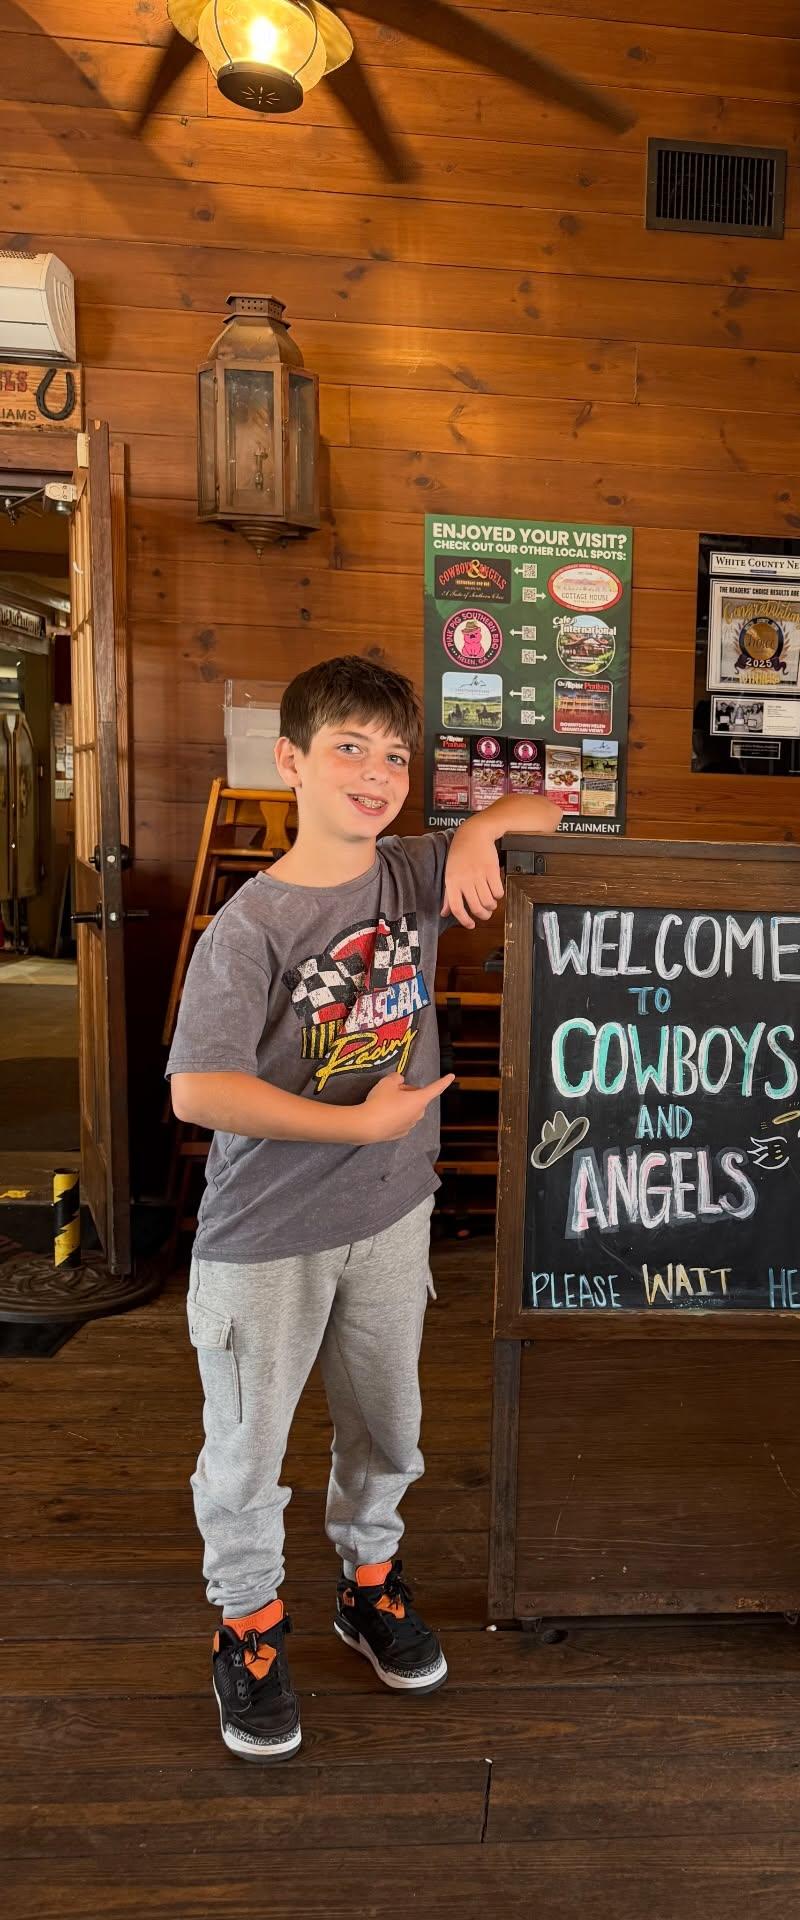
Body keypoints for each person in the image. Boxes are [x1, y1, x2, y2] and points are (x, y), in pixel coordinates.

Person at [168, 655, 561, 1762]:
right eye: (350, 747)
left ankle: (368, 1584)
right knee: (248, 1449)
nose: (378, 771)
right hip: (264, 1238)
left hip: (392, 1222)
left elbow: (549, 805)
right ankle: (247, 1626)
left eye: (397, 754)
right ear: (290, 760)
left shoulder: (408, 875)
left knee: (389, 1426)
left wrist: (481, 833)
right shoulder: (250, 927)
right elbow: (199, 1090)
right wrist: (356, 1125)